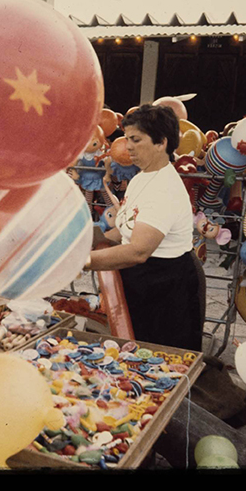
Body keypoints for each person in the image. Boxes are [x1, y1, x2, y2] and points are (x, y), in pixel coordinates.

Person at [84, 103, 204, 351]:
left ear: (161, 142)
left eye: (136, 139)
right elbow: (126, 227)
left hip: (167, 285)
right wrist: (95, 239)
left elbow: (138, 250)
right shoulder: (140, 177)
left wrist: (83, 261)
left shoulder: (165, 187)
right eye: (127, 138)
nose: (127, 146)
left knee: (161, 361)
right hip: (143, 281)